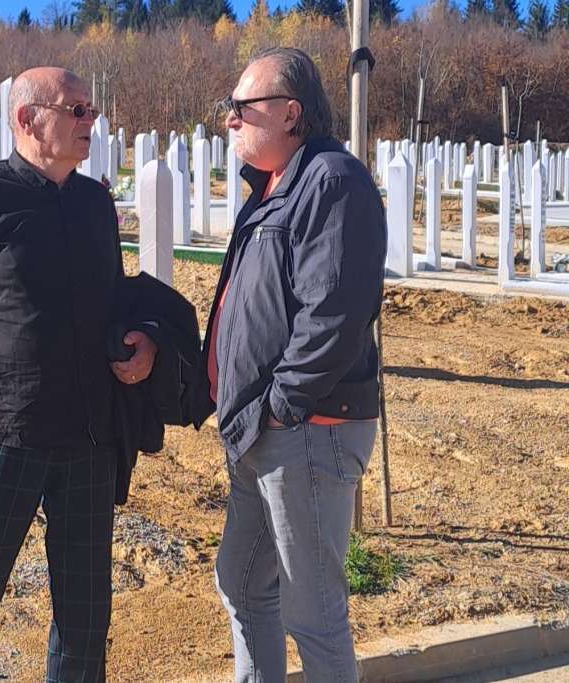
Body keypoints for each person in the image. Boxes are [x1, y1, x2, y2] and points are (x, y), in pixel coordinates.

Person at [0, 66, 156, 682]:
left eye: (91, 111)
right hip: (4, 436)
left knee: (85, 616)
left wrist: (144, 344)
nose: (90, 122)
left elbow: (114, 304)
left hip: (89, 440)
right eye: (76, 110)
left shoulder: (95, 203)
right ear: (27, 119)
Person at [205, 47, 387, 682]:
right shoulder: (274, 187)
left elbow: (332, 314)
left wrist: (280, 408)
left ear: (290, 113)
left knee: (313, 613)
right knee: (242, 580)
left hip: (307, 430)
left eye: (241, 107)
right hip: (263, 430)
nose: (229, 119)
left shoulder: (332, 181)